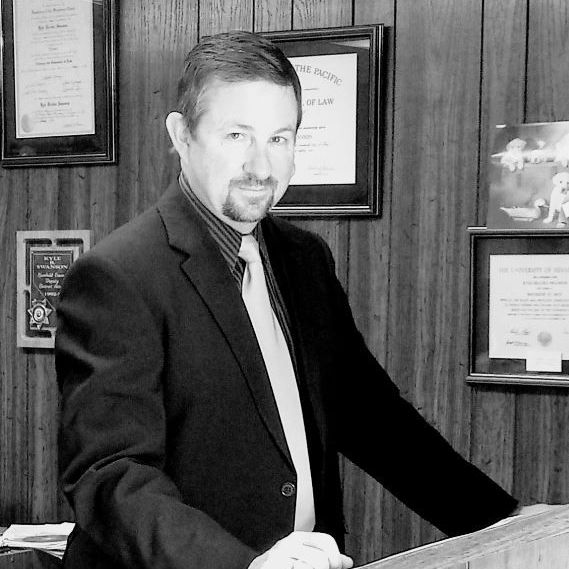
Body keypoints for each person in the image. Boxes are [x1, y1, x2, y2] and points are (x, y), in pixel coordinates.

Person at [56, 30, 519, 569]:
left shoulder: (304, 261)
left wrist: (505, 520)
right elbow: (110, 476)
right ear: (181, 136)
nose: (261, 166)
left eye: (280, 138)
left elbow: (372, 418)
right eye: (237, 135)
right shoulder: (117, 277)